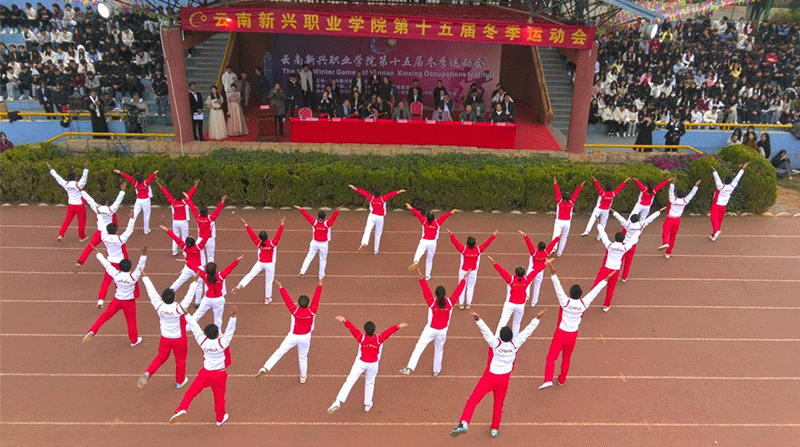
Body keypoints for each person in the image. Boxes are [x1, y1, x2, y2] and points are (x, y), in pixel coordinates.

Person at [450, 309, 546, 439]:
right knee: (498, 404)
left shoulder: (495, 343)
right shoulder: (516, 344)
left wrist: (478, 319)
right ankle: (494, 429)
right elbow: (527, 332)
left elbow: (486, 332)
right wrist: (537, 318)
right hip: (504, 379)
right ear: (511, 336)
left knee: (473, 400)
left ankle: (464, 423)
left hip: (490, 377)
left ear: (500, 336)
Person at [538, 261, 611, 390]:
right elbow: (594, 292)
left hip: (561, 333)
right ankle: (562, 379)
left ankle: (548, 379)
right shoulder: (584, 304)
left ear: (570, 293)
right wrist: (605, 280)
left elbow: (558, 288)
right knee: (567, 358)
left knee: (551, 357)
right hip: (573, 335)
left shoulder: (565, 302)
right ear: (580, 294)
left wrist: (553, 273)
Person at [170, 305, 238, 426]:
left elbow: (194, 327)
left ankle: (182, 408)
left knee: (191, 392)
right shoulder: (223, 342)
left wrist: (186, 314)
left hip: (205, 373)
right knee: (219, 398)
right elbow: (230, 330)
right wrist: (233, 317)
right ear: (217, 333)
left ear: (206, 334)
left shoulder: (202, 341)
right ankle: (220, 418)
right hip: (219, 375)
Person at [327, 316, 407, 414]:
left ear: (365, 330)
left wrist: (345, 321)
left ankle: (338, 401)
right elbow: (388, 332)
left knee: (350, 381)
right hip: (373, 364)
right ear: (374, 330)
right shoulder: (379, 339)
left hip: (361, 363)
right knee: (370, 383)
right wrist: (398, 326)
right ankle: (367, 405)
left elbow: (353, 329)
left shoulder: (361, 338)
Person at [399, 269, 466, 376]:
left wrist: (422, 279)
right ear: (445, 294)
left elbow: (426, 291)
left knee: (419, 347)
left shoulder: (432, 303)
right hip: (442, 331)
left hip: (430, 330)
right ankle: (436, 371)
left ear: (436, 294)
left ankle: (409, 367)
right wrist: (464, 279)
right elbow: (458, 292)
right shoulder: (450, 303)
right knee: (439, 350)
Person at [255, 279, 322, 383]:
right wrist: (320, 285)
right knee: (303, 357)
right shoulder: (312, 311)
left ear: (299, 303)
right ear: (308, 303)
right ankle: (303, 377)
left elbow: (287, 300)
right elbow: (316, 299)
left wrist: (281, 288)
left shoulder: (294, 311)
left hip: (293, 336)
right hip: (305, 337)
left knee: (279, 351)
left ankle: (265, 368)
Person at [138, 276, 198, 390]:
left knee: (161, 357)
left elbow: (152, 292)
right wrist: (194, 282)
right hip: (179, 338)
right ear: (173, 297)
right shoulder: (179, 308)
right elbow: (189, 297)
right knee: (180, 360)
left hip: (165, 338)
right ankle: (180, 381)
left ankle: (149, 372)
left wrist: (145, 277)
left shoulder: (159, 306)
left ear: (163, 298)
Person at [83, 246, 147, 346]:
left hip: (117, 300)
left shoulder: (116, 274)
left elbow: (106, 264)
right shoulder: (133, 276)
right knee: (131, 321)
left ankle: (93, 330)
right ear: (130, 267)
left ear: (120, 267)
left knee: (105, 316)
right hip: (129, 302)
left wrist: (98, 253)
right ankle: (134, 340)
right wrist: (143, 255)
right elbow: (140, 266)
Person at [489, 256, 551, 335]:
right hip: (521, 305)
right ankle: (514, 339)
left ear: (515, 273)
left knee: (503, 321)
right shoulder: (527, 280)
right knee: (517, 324)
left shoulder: (511, 279)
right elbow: (536, 271)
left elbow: (502, 272)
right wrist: (545, 263)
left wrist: (494, 263)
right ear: (524, 273)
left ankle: (497, 337)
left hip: (510, 303)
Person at [231, 216, 286, 304]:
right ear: (267, 236)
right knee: (269, 281)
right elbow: (278, 236)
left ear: (260, 238)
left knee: (250, 274)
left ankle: (240, 285)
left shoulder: (258, 243)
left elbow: (252, 235)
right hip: (270, 264)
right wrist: (282, 224)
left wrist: (247, 226)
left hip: (260, 263)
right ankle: (267, 298)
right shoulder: (272, 243)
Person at [74, 185, 126, 273]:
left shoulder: (96, 208)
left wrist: (82, 191)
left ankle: (80, 261)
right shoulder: (110, 210)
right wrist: (122, 191)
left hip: (100, 232)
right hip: (110, 232)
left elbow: (89, 199)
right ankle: (113, 266)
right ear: (107, 202)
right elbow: (117, 202)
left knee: (90, 247)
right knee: (111, 248)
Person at [348, 184, 405, 254]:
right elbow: (390, 195)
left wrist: (355, 188)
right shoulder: (382, 199)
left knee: (367, 229)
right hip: (380, 217)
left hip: (372, 216)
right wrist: (398, 191)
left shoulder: (371, 198)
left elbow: (364, 193)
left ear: (374, 194)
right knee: (378, 234)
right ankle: (376, 250)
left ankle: (364, 242)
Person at [406, 204, 458, 280]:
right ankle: (427, 276)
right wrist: (451, 212)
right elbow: (444, 216)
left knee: (418, 253)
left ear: (427, 218)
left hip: (424, 241)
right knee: (429, 260)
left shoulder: (424, 221)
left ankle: (416, 261)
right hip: (432, 242)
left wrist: (411, 208)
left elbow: (418, 214)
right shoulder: (437, 223)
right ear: (433, 218)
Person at [611, 207, 664, 282]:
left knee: (619, 260)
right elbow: (650, 219)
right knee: (628, 262)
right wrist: (659, 211)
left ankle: (615, 275)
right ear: (638, 220)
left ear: (630, 219)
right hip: (632, 245)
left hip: (624, 244)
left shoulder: (627, 225)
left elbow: (620, 218)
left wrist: (613, 211)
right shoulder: (640, 224)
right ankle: (624, 277)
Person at [447, 229, 496, 309]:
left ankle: (461, 303)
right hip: (473, 270)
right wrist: (493, 236)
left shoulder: (463, 249)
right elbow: (487, 244)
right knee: (470, 286)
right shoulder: (478, 250)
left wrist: (451, 235)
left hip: (464, 270)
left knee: (461, 286)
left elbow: (456, 243)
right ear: (475, 244)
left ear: (467, 244)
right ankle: (468, 304)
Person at [192, 255, 242, 329]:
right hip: (219, 299)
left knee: (198, 314)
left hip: (207, 299)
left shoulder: (205, 276)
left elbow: (196, 269)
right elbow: (229, 268)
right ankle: (218, 333)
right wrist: (236, 261)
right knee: (218, 319)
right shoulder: (220, 276)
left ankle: (187, 327)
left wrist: (188, 263)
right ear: (215, 269)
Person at [161, 225, 206, 306]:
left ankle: (168, 293)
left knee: (179, 281)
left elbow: (176, 238)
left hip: (188, 267)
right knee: (199, 285)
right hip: (197, 269)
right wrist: (208, 229)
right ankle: (197, 302)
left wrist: (167, 230)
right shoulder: (198, 247)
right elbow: (205, 238)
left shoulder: (184, 247)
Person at [593, 224, 633, 312]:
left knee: (596, 284)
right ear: (623, 240)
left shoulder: (609, 245)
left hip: (606, 268)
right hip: (615, 271)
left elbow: (603, 234)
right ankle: (606, 305)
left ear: (615, 238)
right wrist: (639, 231)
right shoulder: (625, 247)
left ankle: (589, 299)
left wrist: (598, 224)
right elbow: (632, 240)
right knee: (611, 289)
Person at [46, 160, 88, 242]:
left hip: (71, 205)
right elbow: (84, 178)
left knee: (67, 221)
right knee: (81, 221)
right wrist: (86, 168)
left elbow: (57, 177)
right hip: (79, 206)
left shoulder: (66, 184)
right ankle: (82, 237)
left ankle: (61, 234)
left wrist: (51, 169)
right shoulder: (79, 184)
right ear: (75, 177)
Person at [659, 179, 702, 258]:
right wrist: (695, 186)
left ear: (676, 194)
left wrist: (672, 184)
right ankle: (668, 253)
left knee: (665, 231)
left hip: (670, 219)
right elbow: (691, 194)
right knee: (673, 237)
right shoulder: (685, 200)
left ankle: (665, 242)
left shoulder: (673, 199)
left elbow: (670, 192)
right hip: (677, 220)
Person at [156, 178, 199, 256]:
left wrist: (160, 186)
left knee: (175, 236)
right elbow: (190, 194)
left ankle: (174, 250)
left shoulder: (173, 202)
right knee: (185, 236)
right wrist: (195, 185)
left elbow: (167, 194)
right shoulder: (184, 202)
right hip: (183, 222)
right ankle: (185, 252)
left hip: (175, 221)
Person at [295, 205, 340, 279]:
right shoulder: (327, 224)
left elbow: (307, 216)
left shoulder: (314, 223)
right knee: (323, 259)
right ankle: (321, 275)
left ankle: (302, 271)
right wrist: (337, 211)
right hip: (323, 244)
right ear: (324, 217)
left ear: (318, 216)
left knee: (309, 257)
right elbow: (333, 218)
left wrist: (301, 209)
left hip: (315, 242)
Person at [519, 232, 559, 307]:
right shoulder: (547, 253)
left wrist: (525, 236)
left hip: (532, 270)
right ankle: (534, 303)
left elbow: (529, 244)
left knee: (527, 283)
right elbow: (552, 244)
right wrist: (558, 237)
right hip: (540, 271)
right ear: (544, 248)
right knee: (537, 286)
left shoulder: (533, 252)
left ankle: (527, 296)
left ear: (537, 247)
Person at [710, 163, 748, 241]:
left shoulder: (720, 186)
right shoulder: (732, 186)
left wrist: (714, 171)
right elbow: (737, 178)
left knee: (714, 219)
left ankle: (716, 231)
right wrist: (742, 169)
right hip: (723, 206)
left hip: (716, 205)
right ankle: (714, 235)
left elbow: (717, 179)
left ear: (724, 181)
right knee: (719, 220)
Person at [114, 169, 157, 234]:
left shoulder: (135, 184)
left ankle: (129, 228)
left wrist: (120, 172)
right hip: (146, 200)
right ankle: (146, 230)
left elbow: (129, 178)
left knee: (134, 214)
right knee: (146, 215)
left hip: (138, 200)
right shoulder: (146, 183)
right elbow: (150, 178)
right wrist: (154, 173)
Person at [186, 194, 226, 264]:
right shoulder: (210, 218)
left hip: (201, 238)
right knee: (210, 255)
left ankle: (202, 264)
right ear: (207, 212)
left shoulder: (198, 218)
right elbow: (217, 211)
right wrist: (222, 202)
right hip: (210, 239)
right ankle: (210, 267)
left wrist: (188, 199)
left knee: (199, 252)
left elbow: (193, 209)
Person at [552, 177, 585, 257]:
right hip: (567, 222)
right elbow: (576, 193)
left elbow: (557, 192)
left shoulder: (559, 202)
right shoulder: (571, 203)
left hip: (559, 221)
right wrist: (581, 185)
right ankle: (559, 253)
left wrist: (555, 184)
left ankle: (554, 248)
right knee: (564, 238)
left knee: (555, 235)